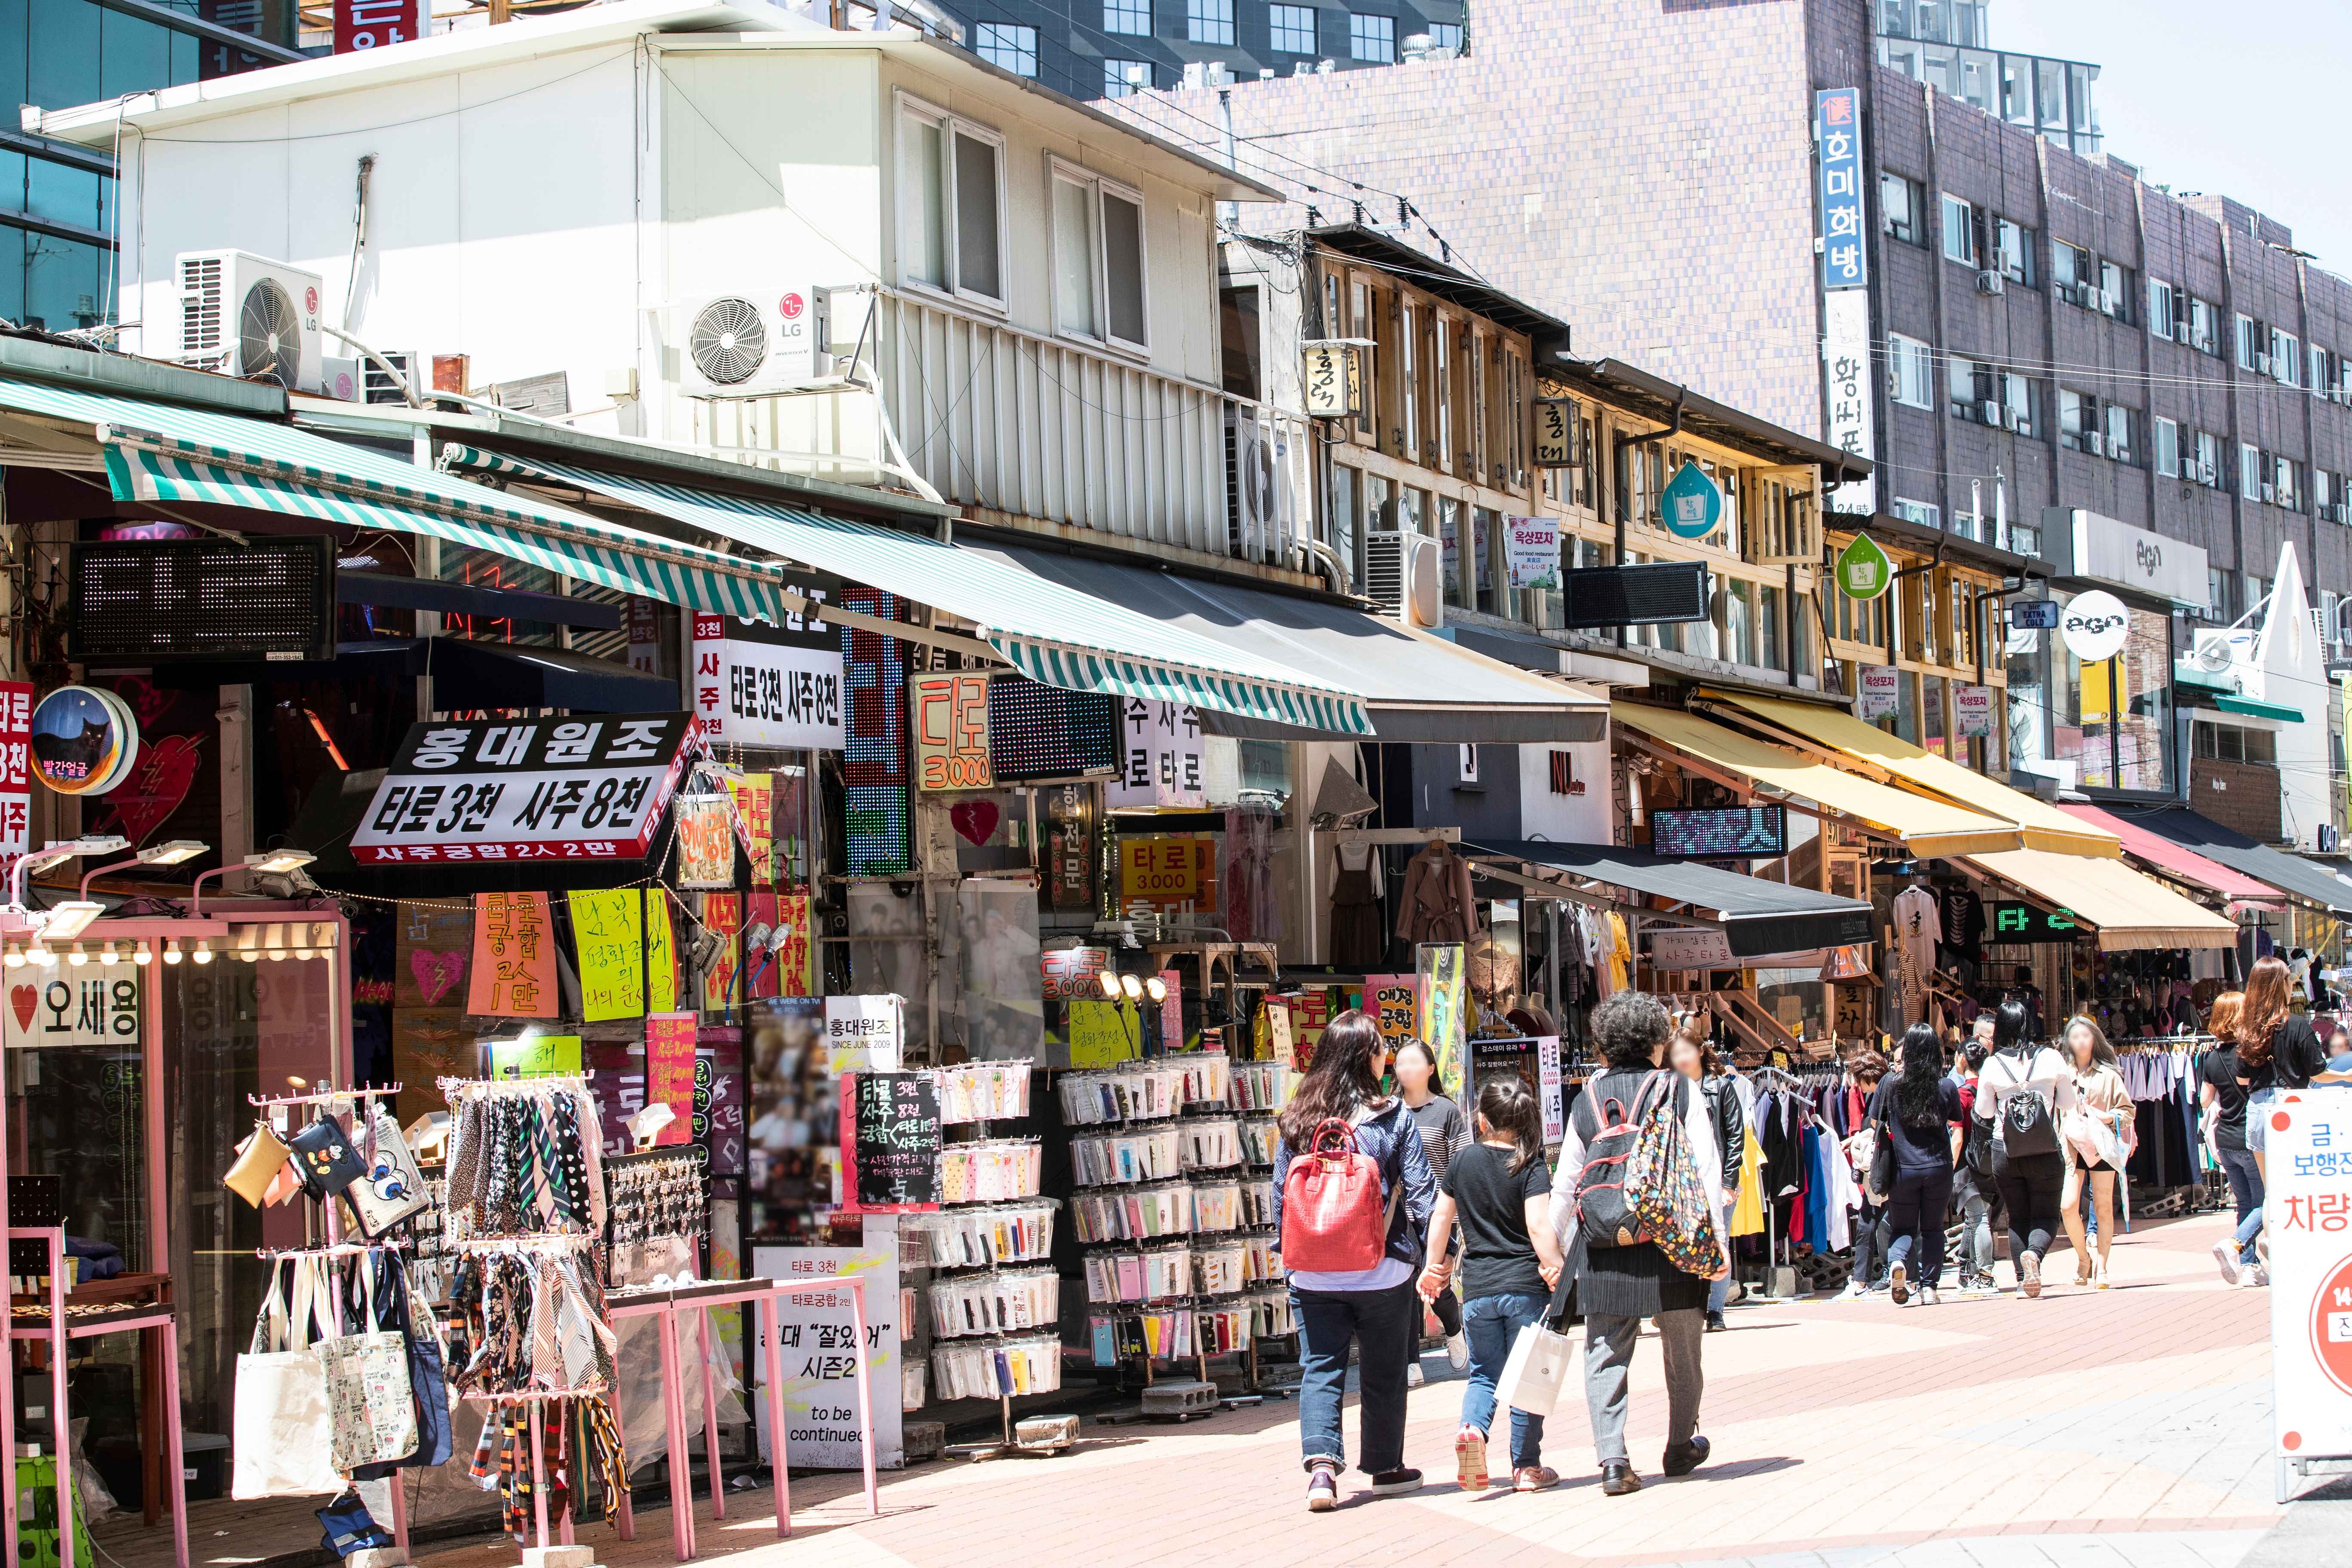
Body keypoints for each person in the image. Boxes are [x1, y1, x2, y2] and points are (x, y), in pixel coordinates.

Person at [1548, 991, 1727, 1497]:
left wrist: (1555, 1251)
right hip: (1672, 1238)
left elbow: (1567, 1183)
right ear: (1655, 1040)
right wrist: (1716, 1241)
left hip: (1605, 1242)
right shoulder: (1679, 1089)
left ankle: (1613, 1460)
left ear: (1604, 1043)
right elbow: (1705, 1170)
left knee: (1605, 1351)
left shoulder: (1586, 1100)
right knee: (1683, 1349)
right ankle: (1678, 1446)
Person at [1272, 1009, 1436, 1513]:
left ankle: (1322, 1472)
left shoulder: (1298, 1116)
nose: (1387, 1056)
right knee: (1384, 1369)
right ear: (1368, 1057)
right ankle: (1385, 1467)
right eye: (1382, 1048)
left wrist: (1289, 1258)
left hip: (1313, 1271)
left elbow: (1280, 1194)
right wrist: (1437, 1256)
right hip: (1382, 1268)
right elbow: (1422, 1193)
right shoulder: (1391, 1114)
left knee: (1321, 1368)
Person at [1416, 1078, 1565, 1494]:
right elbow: (1538, 1224)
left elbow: (1441, 1218)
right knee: (1526, 1378)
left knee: (1484, 1375)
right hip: (1524, 1287)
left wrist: (1433, 1266)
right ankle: (1527, 1468)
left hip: (1478, 1290)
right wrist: (1556, 1267)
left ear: (1481, 1121)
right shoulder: (1531, 1164)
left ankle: (1472, 1432)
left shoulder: (1463, 1162)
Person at [1972, 999, 2075, 1298]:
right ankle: (2035, 1255)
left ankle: (2021, 1280)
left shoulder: (1992, 1064)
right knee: (2046, 1214)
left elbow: (1986, 1112)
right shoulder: (2052, 1058)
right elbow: (2068, 1104)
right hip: (2045, 1149)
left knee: (2018, 1217)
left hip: (2006, 1151)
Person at [1870, 1024, 1965, 1306]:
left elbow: (1876, 1122)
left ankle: (1897, 1265)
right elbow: (1955, 1119)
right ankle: (1929, 1288)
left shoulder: (1890, 1083)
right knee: (1934, 1229)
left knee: (1903, 1229)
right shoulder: (1946, 1085)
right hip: (1939, 1168)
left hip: (1902, 1170)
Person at [1393, 1038, 1471, 1371]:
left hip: (1438, 1214)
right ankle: (1411, 1363)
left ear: (1430, 1069)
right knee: (1404, 1288)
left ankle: (1454, 1330)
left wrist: (1461, 1216)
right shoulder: (1388, 1110)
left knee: (1435, 1284)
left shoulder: (1446, 1111)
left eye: (1413, 1063)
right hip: (1397, 1214)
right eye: (1400, 1063)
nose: (1405, 1069)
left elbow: (1462, 1162)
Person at [1670, 1023, 1745, 1332]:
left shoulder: (1721, 1087)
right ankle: (1685, 1309)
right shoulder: (1668, 1089)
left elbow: (1735, 1137)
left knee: (1718, 1242)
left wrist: (1728, 1182)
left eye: (1687, 1051)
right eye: (1675, 1054)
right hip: (1681, 1182)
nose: (1682, 1058)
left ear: (1701, 1051)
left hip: (1716, 1179)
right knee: (1680, 1243)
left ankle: (1715, 1311)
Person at [2058, 1014, 2132, 1290]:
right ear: (2068, 1042)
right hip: (2072, 1146)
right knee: (2067, 1206)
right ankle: (2083, 1258)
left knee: (2102, 1207)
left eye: (2086, 1035)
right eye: (2075, 1037)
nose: (2080, 1041)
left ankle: (2103, 1267)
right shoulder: (2062, 1074)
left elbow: (2129, 1113)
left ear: (2095, 1039)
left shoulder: (2109, 1075)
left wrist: (2108, 1117)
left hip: (2101, 1146)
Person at [2200, 991, 2261, 1285]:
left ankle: (2249, 1265)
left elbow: (2204, 1100)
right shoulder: (2250, 1054)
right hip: (2251, 1139)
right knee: (2265, 1203)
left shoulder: (2211, 1058)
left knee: (2245, 1204)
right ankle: (2235, 1246)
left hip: (2225, 1140)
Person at [1838, 1051, 1891, 1300]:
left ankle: (1860, 1281)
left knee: (1868, 1223)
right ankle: (1907, 1274)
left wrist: (1856, 1140)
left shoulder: (1881, 1095)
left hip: (1881, 1170)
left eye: (1858, 1079)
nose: (1856, 1085)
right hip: (1899, 1168)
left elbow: (1875, 1128)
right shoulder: (1893, 1088)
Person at [1951, 1033, 1998, 1294]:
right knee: (1975, 1218)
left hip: (1968, 1164)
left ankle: (1985, 1275)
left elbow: (1957, 1138)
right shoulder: (1994, 1089)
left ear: (1961, 1059)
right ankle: (1967, 1274)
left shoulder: (1962, 1094)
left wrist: (1948, 1167)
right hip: (1992, 1160)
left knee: (1979, 1220)